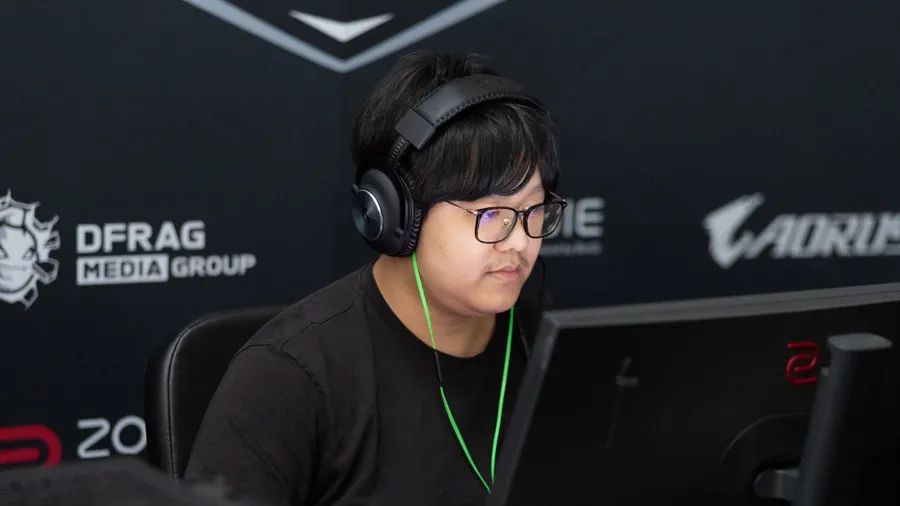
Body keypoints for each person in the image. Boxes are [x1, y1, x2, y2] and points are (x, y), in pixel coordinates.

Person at [183, 50, 565, 506]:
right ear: (398, 214)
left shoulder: (550, 350)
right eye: (490, 213)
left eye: (532, 209)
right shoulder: (287, 376)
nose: (519, 241)